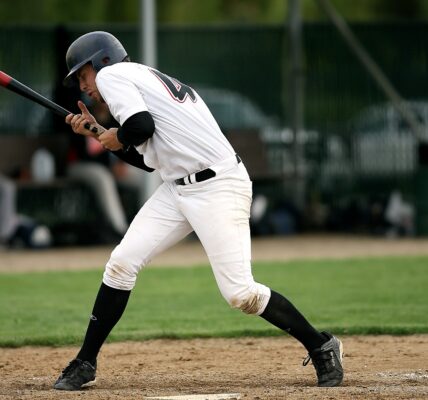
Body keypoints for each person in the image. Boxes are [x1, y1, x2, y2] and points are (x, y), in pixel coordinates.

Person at [53, 31, 344, 391]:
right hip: (178, 188)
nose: (83, 87)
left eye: (83, 75)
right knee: (122, 263)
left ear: (103, 62)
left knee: (240, 293)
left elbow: (139, 128)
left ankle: (321, 345)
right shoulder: (141, 80)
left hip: (218, 186)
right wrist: (101, 133)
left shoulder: (114, 77)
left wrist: (117, 135)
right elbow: (145, 158)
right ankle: (85, 362)